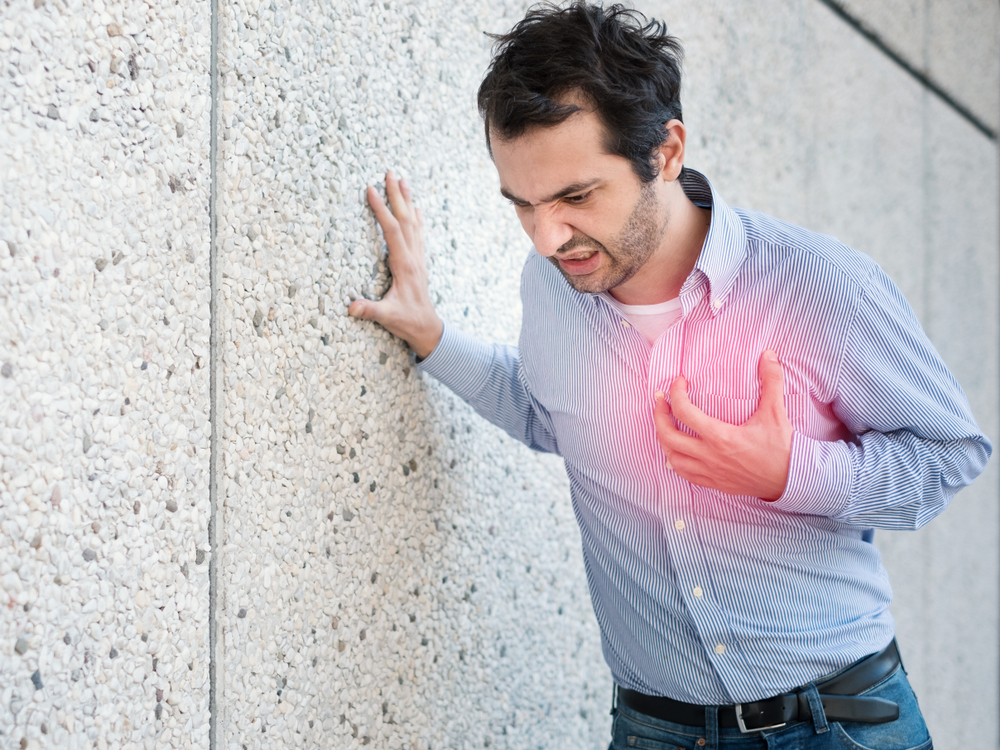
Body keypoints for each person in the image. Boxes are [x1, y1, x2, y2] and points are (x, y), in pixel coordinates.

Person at [348, 3, 991, 748]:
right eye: (522, 206)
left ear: (666, 152)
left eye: (576, 197)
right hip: (655, 730)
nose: (548, 237)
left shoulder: (819, 287)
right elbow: (545, 412)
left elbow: (949, 456)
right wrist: (431, 335)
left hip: (835, 725)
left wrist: (789, 472)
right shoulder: (551, 286)